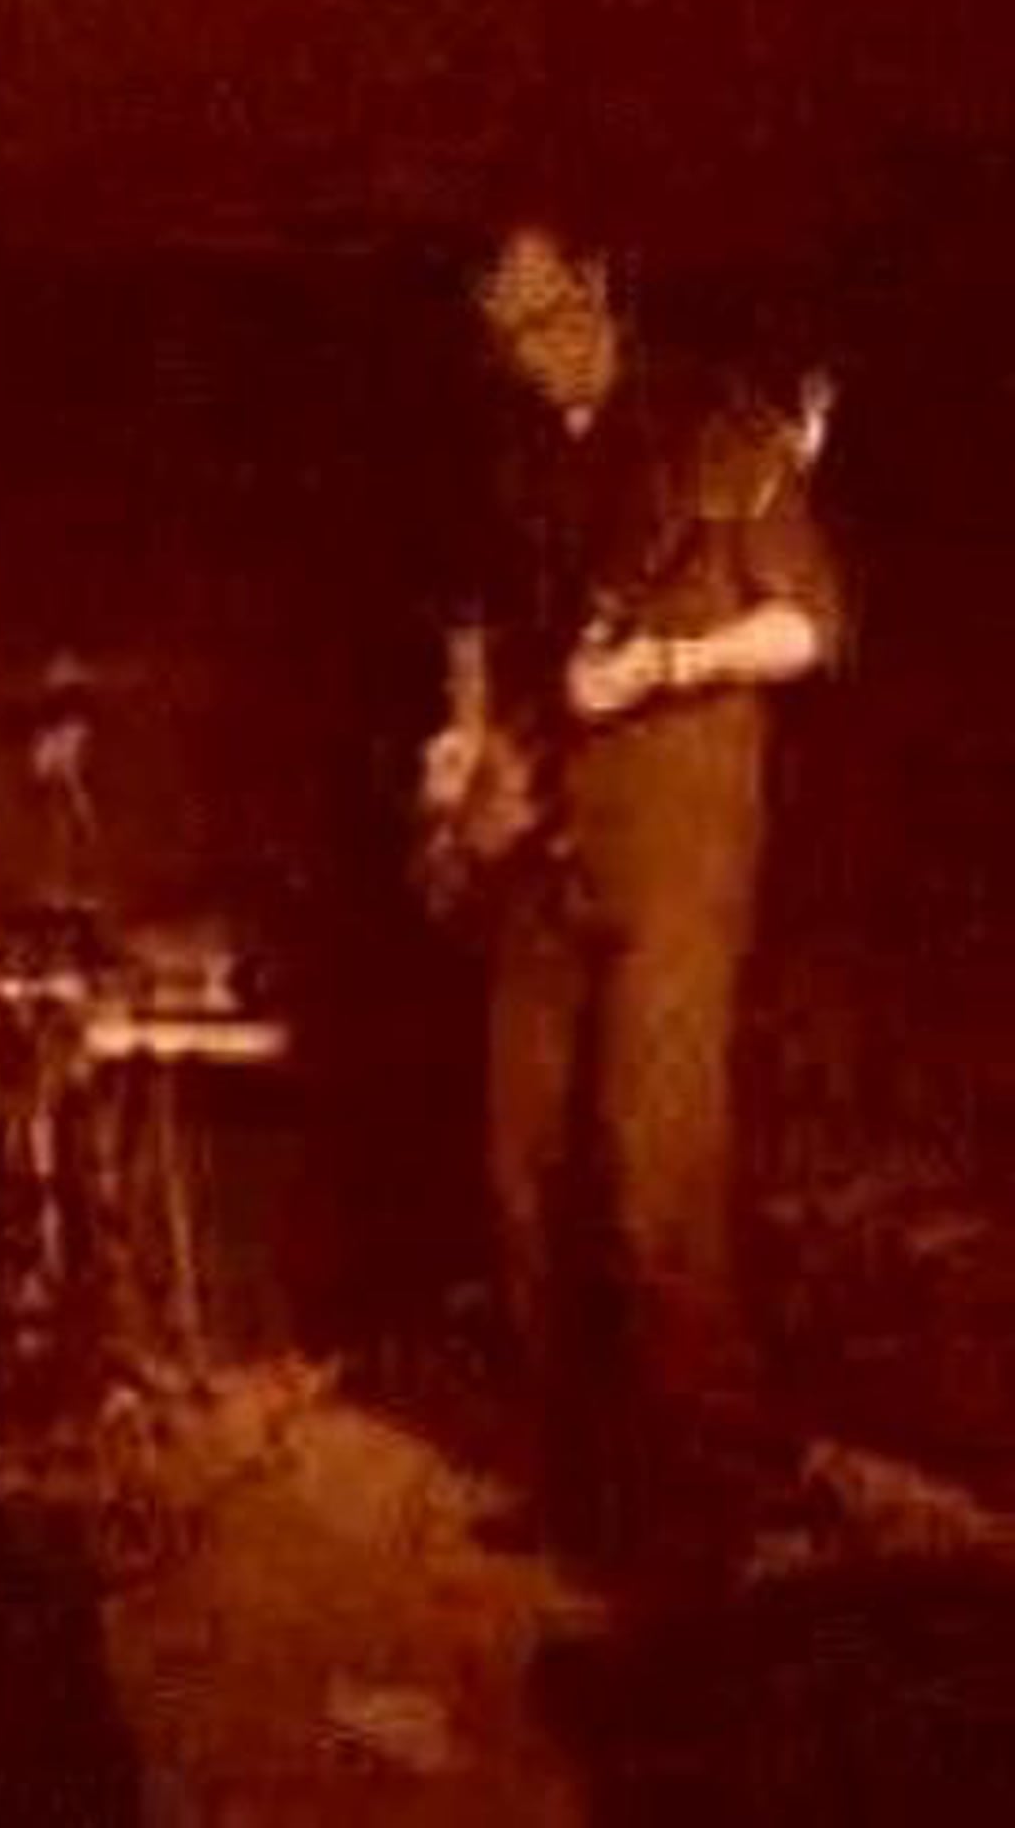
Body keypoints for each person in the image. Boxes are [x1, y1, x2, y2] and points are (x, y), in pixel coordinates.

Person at [421, 221, 845, 1581]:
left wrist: (667, 664)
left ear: (600, 285)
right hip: (544, 844)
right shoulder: (517, 455)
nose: (534, 352)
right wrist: (462, 741)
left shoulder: (720, 424)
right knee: (523, 1164)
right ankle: (572, 1483)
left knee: (654, 1167)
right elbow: (478, 618)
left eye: (550, 317)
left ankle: (715, 1493)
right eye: (507, 335)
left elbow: (809, 627)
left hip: (677, 841)